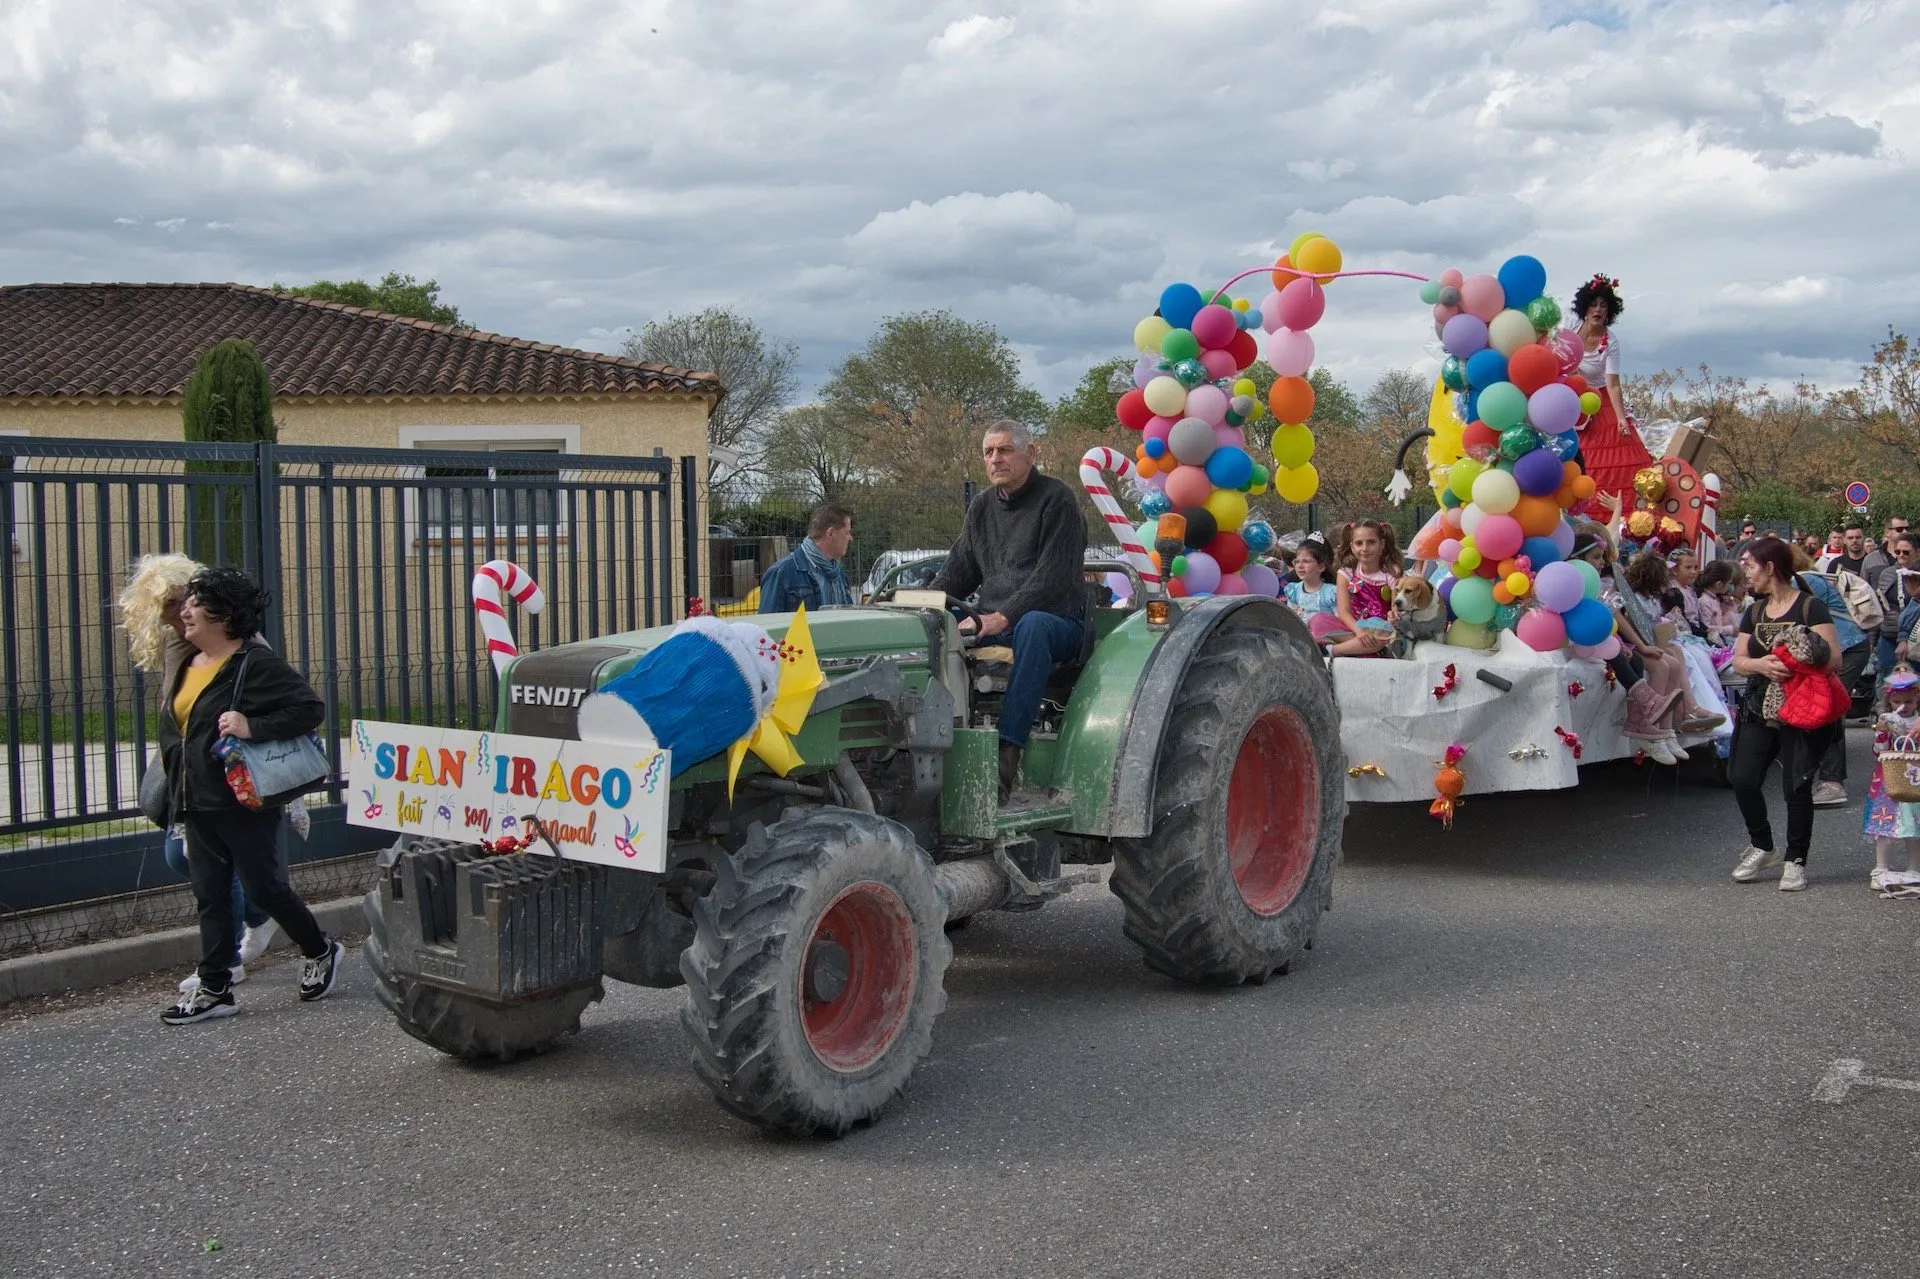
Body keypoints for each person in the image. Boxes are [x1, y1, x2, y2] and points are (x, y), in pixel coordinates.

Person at [159, 567, 342, 1024]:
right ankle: (216, 988)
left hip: (243, 801)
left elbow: (309, 708)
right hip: (195, 799)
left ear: (223, 615)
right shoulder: (188, 663)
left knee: (264, 888)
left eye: (195, 602)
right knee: (211, 895)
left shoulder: (253, 664)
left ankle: (320, 950)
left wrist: (251, 726)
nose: (185, 610)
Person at [119, 554, 279, 995]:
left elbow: (280, 700)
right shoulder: (177, 644)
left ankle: (226, 964)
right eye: (166, 606)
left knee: (208, 863)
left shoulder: (241, 644)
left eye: (181, 601)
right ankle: (261, 919)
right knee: (188, 859)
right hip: (190, 768)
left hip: (227, 768)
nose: (176, 613)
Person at [931, 421, 1087, 802]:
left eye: (1004, 450)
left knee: (1033, 625)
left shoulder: (1058, 500)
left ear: (1030, 454)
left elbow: (1052, 578)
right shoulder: (982, 506)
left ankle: (1006, 756)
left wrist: (1002, 616)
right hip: (998, 620)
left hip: (1059, 623)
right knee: (934, 622)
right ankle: (935, 740)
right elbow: (958, 570)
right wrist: (922, 604)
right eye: (988, 452)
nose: (995, 459)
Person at [1728, 538, 1844, 892]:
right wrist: (1760, 663)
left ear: (1770, 567)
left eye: (1750, 565)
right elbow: (1738, 660)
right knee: (1742, 777)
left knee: (1796, 786)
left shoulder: (1811, 607)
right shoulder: (1754, 611)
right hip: (1760, 705)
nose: (1746, 572)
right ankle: (1763, 845)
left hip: (1802, 707)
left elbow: (1834, 660)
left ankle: (1795, 860)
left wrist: (1800, 658)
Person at [1785, 545, 1870, 806]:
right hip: (1843, 647)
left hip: (1846, 649)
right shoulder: (1806, 580)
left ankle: (1832, 783)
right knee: (1822, 711)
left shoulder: (1803, 581)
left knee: (1829, 711)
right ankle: (1820, 777)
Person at [1563, 274, 1651, 513]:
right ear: (1585, 307)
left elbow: (1613, 383)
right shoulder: (1570, 327)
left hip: (1600, 400)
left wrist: (1622, 419)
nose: (1598, 310)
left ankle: (1613, 514)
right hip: (1570, 395)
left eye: (1603, 305)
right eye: (1593, 304)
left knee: (1619, 456)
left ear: (1610, 311)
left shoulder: (1610, 342)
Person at [1862, 668, 1920, 895]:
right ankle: (1881, 867)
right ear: (1889, 700)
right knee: (1883, 824)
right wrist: (1883, 733)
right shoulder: (1887, 720)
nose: (1903, 706)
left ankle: (1914, 868)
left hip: (1915, 778)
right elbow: (1879, 751)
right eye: (1897, 701)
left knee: (1914, 825)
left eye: (1909, 701)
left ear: (1917, 699)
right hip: (1888, 778)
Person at [759, 503, 854, 613]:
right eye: (847, 533)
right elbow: (769, 625)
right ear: (831, 533)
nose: (850, 538)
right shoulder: (781, 573)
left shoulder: (838, 573)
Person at [1329, 520, 1401, 658]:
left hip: (1380, 630)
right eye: (1359, 543)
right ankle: (1359, 647)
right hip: (1353, 628)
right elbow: (1344, 612)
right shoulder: (1346, 573)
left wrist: (1394, 616)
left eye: (1371, 542)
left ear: (1382, 544)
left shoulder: (1392, 574)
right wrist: (1359, 631)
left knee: (1383, 633)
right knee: (1319, 620)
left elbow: (1395, 609)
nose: (1365, 548)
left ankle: (1332, 650)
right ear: (1351, 546)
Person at [1866, 523, 1913, 686]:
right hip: (1888, 635)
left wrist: (1905, 638)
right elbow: (1877, 607)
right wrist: (1871, 640)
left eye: (1906, 552)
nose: (1901, 555)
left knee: (1914, 683)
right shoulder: (1888, 574)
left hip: (1915, 638)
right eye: (1898, 552)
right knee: (1888, 682)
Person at [1284, 537, 1340, 644]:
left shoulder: (1331, 592)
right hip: (1301, 641)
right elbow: (1291, 619)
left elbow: (1339, 623)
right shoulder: (1293, 591)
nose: (1300, 566)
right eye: (1297, 561)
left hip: (1325, 643)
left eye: (1306, 561)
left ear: (1321, 567)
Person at [1695, 559, 1743, 646]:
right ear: (1719, 585)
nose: (1730, 587)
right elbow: (1707, 628)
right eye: (1729, 583)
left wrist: (1729, 606)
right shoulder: (1704, 601)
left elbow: (1721, 621)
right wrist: (1730, 630)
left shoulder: (1716, 599)